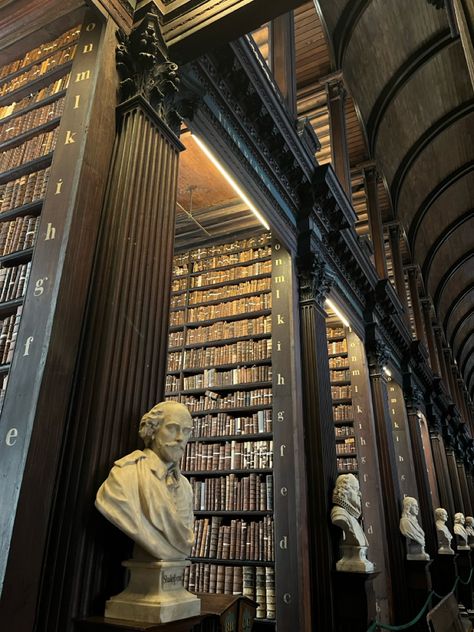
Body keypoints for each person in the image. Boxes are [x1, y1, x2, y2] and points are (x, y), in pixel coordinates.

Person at [96, 401, 194, 560]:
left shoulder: (185, 487)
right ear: (152, 430)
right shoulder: (125, 475)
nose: (180, 438)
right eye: (172, 428)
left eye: (186, 431)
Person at [331, 473, 374, 572]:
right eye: (356, 489)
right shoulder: (340, 515)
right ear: (345, 491)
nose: (360, 494)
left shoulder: (352, 516)